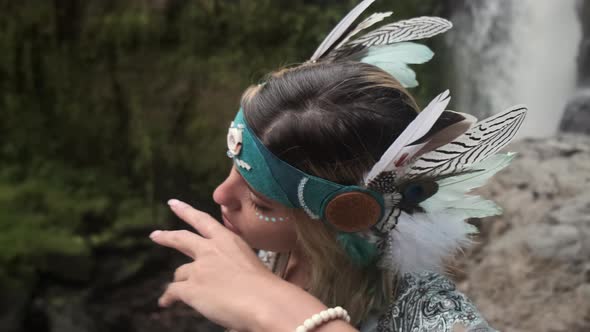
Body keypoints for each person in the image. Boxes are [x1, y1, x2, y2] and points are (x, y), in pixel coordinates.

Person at [149, 1, 527, 331]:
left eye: (262, 204)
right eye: (232, 167)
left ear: (337, 222)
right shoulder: (281, 252)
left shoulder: (425, 312)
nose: (219, 195)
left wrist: (280, 311)